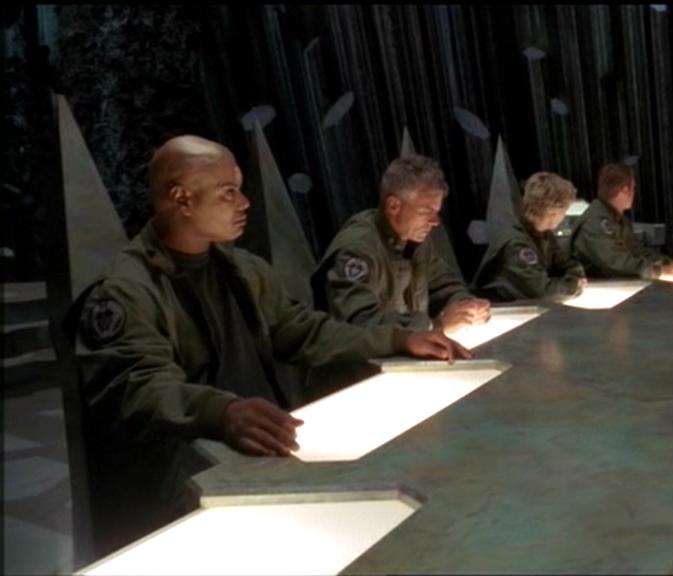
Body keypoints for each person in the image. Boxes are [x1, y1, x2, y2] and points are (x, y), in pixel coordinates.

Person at [74, 135, 469, 555]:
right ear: (182, 199)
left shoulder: (243, 270)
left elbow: (305, 330)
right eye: (228, 192)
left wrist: (398, 338)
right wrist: (222, 411)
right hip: (185, 492)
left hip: (258, 463)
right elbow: (138, 384)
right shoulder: (125, 292)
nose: (245, 203)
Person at [312, 154, 491, 334]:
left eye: (436, 212)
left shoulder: (415, 238)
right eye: (425, 212)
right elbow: (360, 320)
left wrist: (465, 306)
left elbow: (444, 284)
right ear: (393, 206)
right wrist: (435, 327)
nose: (435, 222)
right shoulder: (356, 251)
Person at [571, 163, 673, 280]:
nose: (634, 193)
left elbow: (637, 251)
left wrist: (671, 264)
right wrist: (664, 271)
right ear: (625, 190)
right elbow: (615, 262)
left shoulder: (617, 219)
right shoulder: (595, 223)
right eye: (633, 188)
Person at [474, 171, 587, 302]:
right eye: (564, 211)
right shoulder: (517, 244)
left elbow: (566, 263)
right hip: (500, 307)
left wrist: (575, 277)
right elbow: (541, 292)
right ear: (553, 212)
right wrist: (574, 287)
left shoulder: (542, 234)